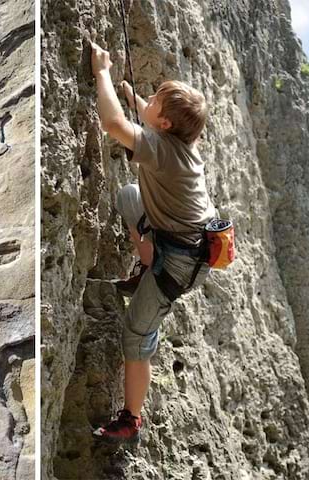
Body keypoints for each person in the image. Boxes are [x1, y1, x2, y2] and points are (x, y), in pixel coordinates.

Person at [89, 42, 216, 442]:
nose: (150, 100)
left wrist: (102, 73)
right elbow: (152, 117)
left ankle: (131, 419)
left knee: (136, 334)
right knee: (130, 196)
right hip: (181, 240)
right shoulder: (179, 141)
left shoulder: (160, 148)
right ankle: (146, 265)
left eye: (156, 101)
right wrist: (134, 96)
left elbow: (112, 124)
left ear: (163, 125)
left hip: (181, 263)